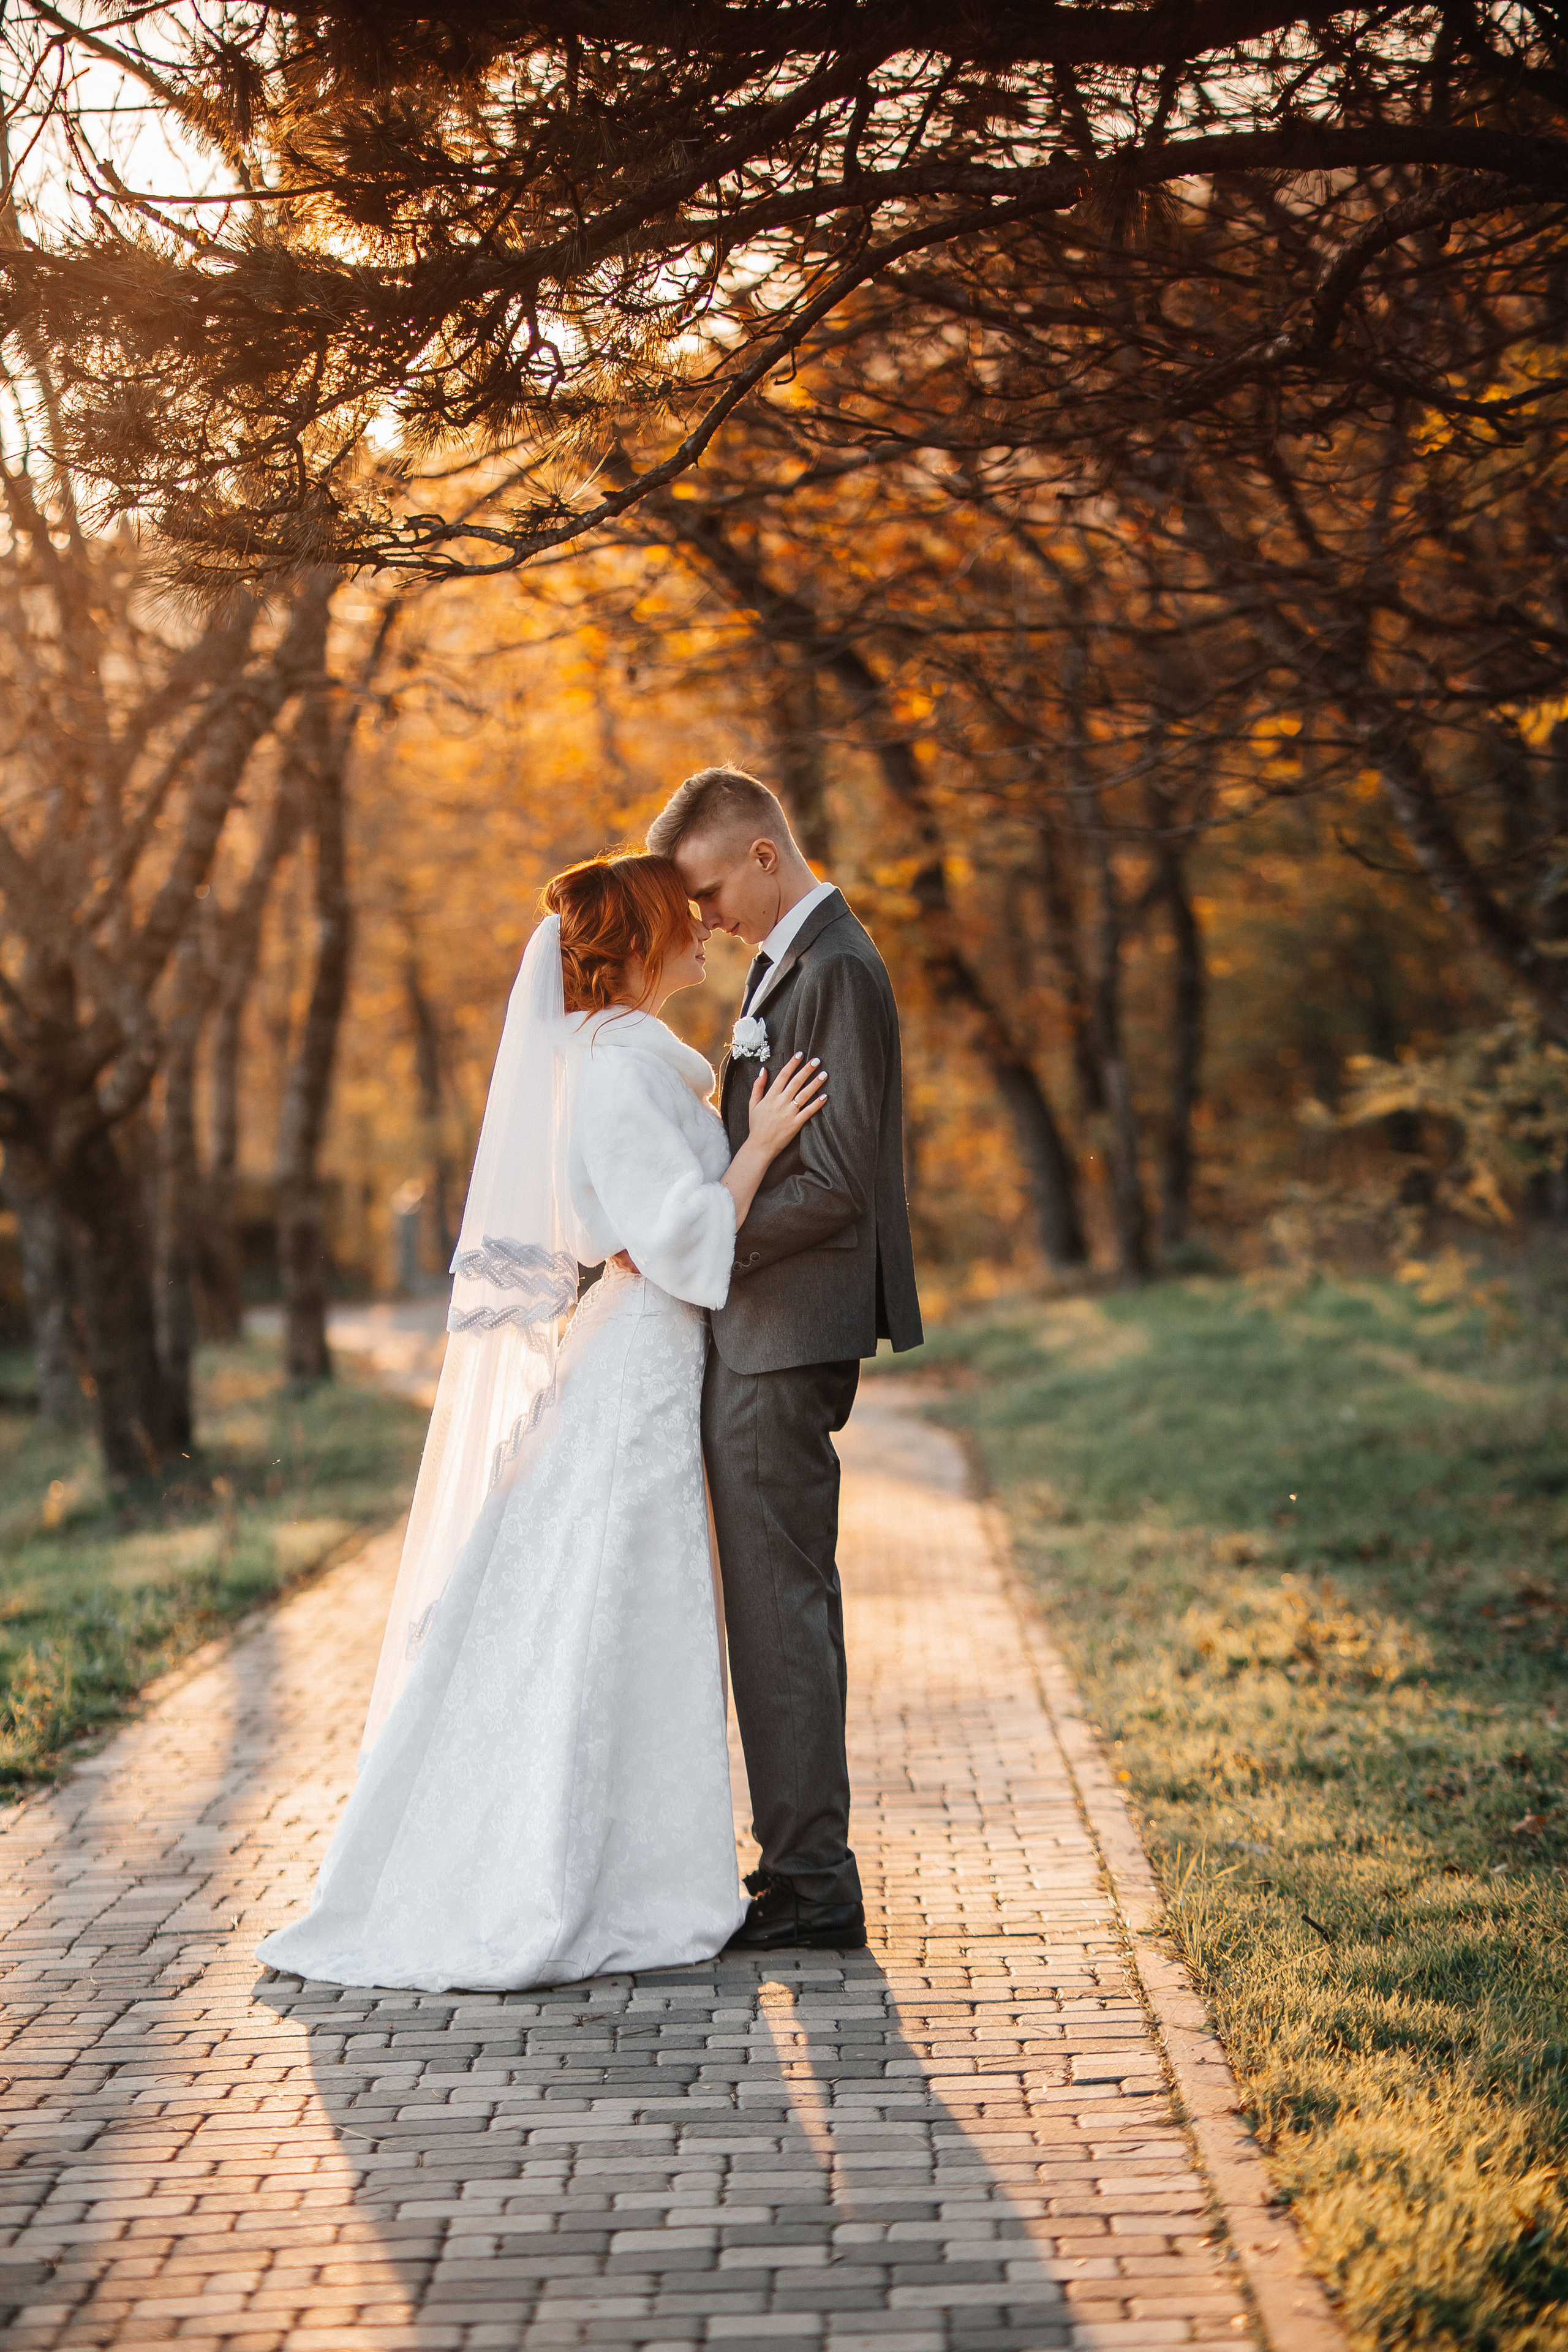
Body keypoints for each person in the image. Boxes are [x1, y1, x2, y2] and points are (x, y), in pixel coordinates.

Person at [256, 853, 826, 1994]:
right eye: (688, 918)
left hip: (651, 1356)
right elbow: (674, 1244)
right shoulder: (613, 1068)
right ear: (645, 940)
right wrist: (760, 1145)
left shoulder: (617, 1058)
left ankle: (632, 1863)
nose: (707, 931)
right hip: (641, 1360)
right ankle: (583, 1880)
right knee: (610, 1603)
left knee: (622, 1607)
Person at [647, 767, 923, 1954]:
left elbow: (836, 1179)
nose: (699, 917)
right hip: (757, 1328)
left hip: (779, 1332)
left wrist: (697, 1245)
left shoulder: (838, 972)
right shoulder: (781, 967)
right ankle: (797, 1868)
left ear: (762, 855)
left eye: (708, 889)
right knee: (772, 1608)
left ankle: (812, 1884)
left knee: (780, 1611)